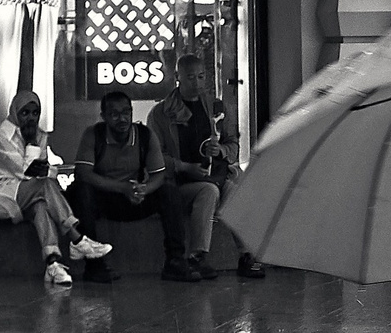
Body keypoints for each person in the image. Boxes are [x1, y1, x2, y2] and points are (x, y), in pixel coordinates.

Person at [0, 89, 111, 287]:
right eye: (25, 113)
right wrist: (32, 145)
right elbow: (27, 172)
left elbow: (42, 171)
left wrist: (41, 164)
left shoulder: (40, 135)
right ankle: (77, 238)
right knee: (43, 187)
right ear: (15, 113)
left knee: (41, 205)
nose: (30, 118)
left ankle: (53, 265)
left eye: (35, 113)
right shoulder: (2, 137)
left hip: (28, 193)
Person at [71, 90, 205, 284]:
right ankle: (94, 265)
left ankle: (175, 261)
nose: (122, 119)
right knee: (81, 191)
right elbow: (83, 174)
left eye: (126, 112)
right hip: (105, 197)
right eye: (115, 114)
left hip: (134, 197)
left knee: (168, 191)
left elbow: (159, 174)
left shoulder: (144, 135)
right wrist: (121, 187)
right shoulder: (93, 134)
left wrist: (145, 189)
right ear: (104, 117)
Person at [149, 53, 264, 279]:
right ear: (178, 78)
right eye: (190, 77)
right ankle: (197, 256)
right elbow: (155, 157)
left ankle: (246, 255)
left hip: (217, 176)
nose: (197, 83)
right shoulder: (161, 114)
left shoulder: (216, 108)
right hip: (180, 184)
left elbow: (233, 145)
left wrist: (220, 151)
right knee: (208, 191)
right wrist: (184, 167)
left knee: (234, 192)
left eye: (201, 77)